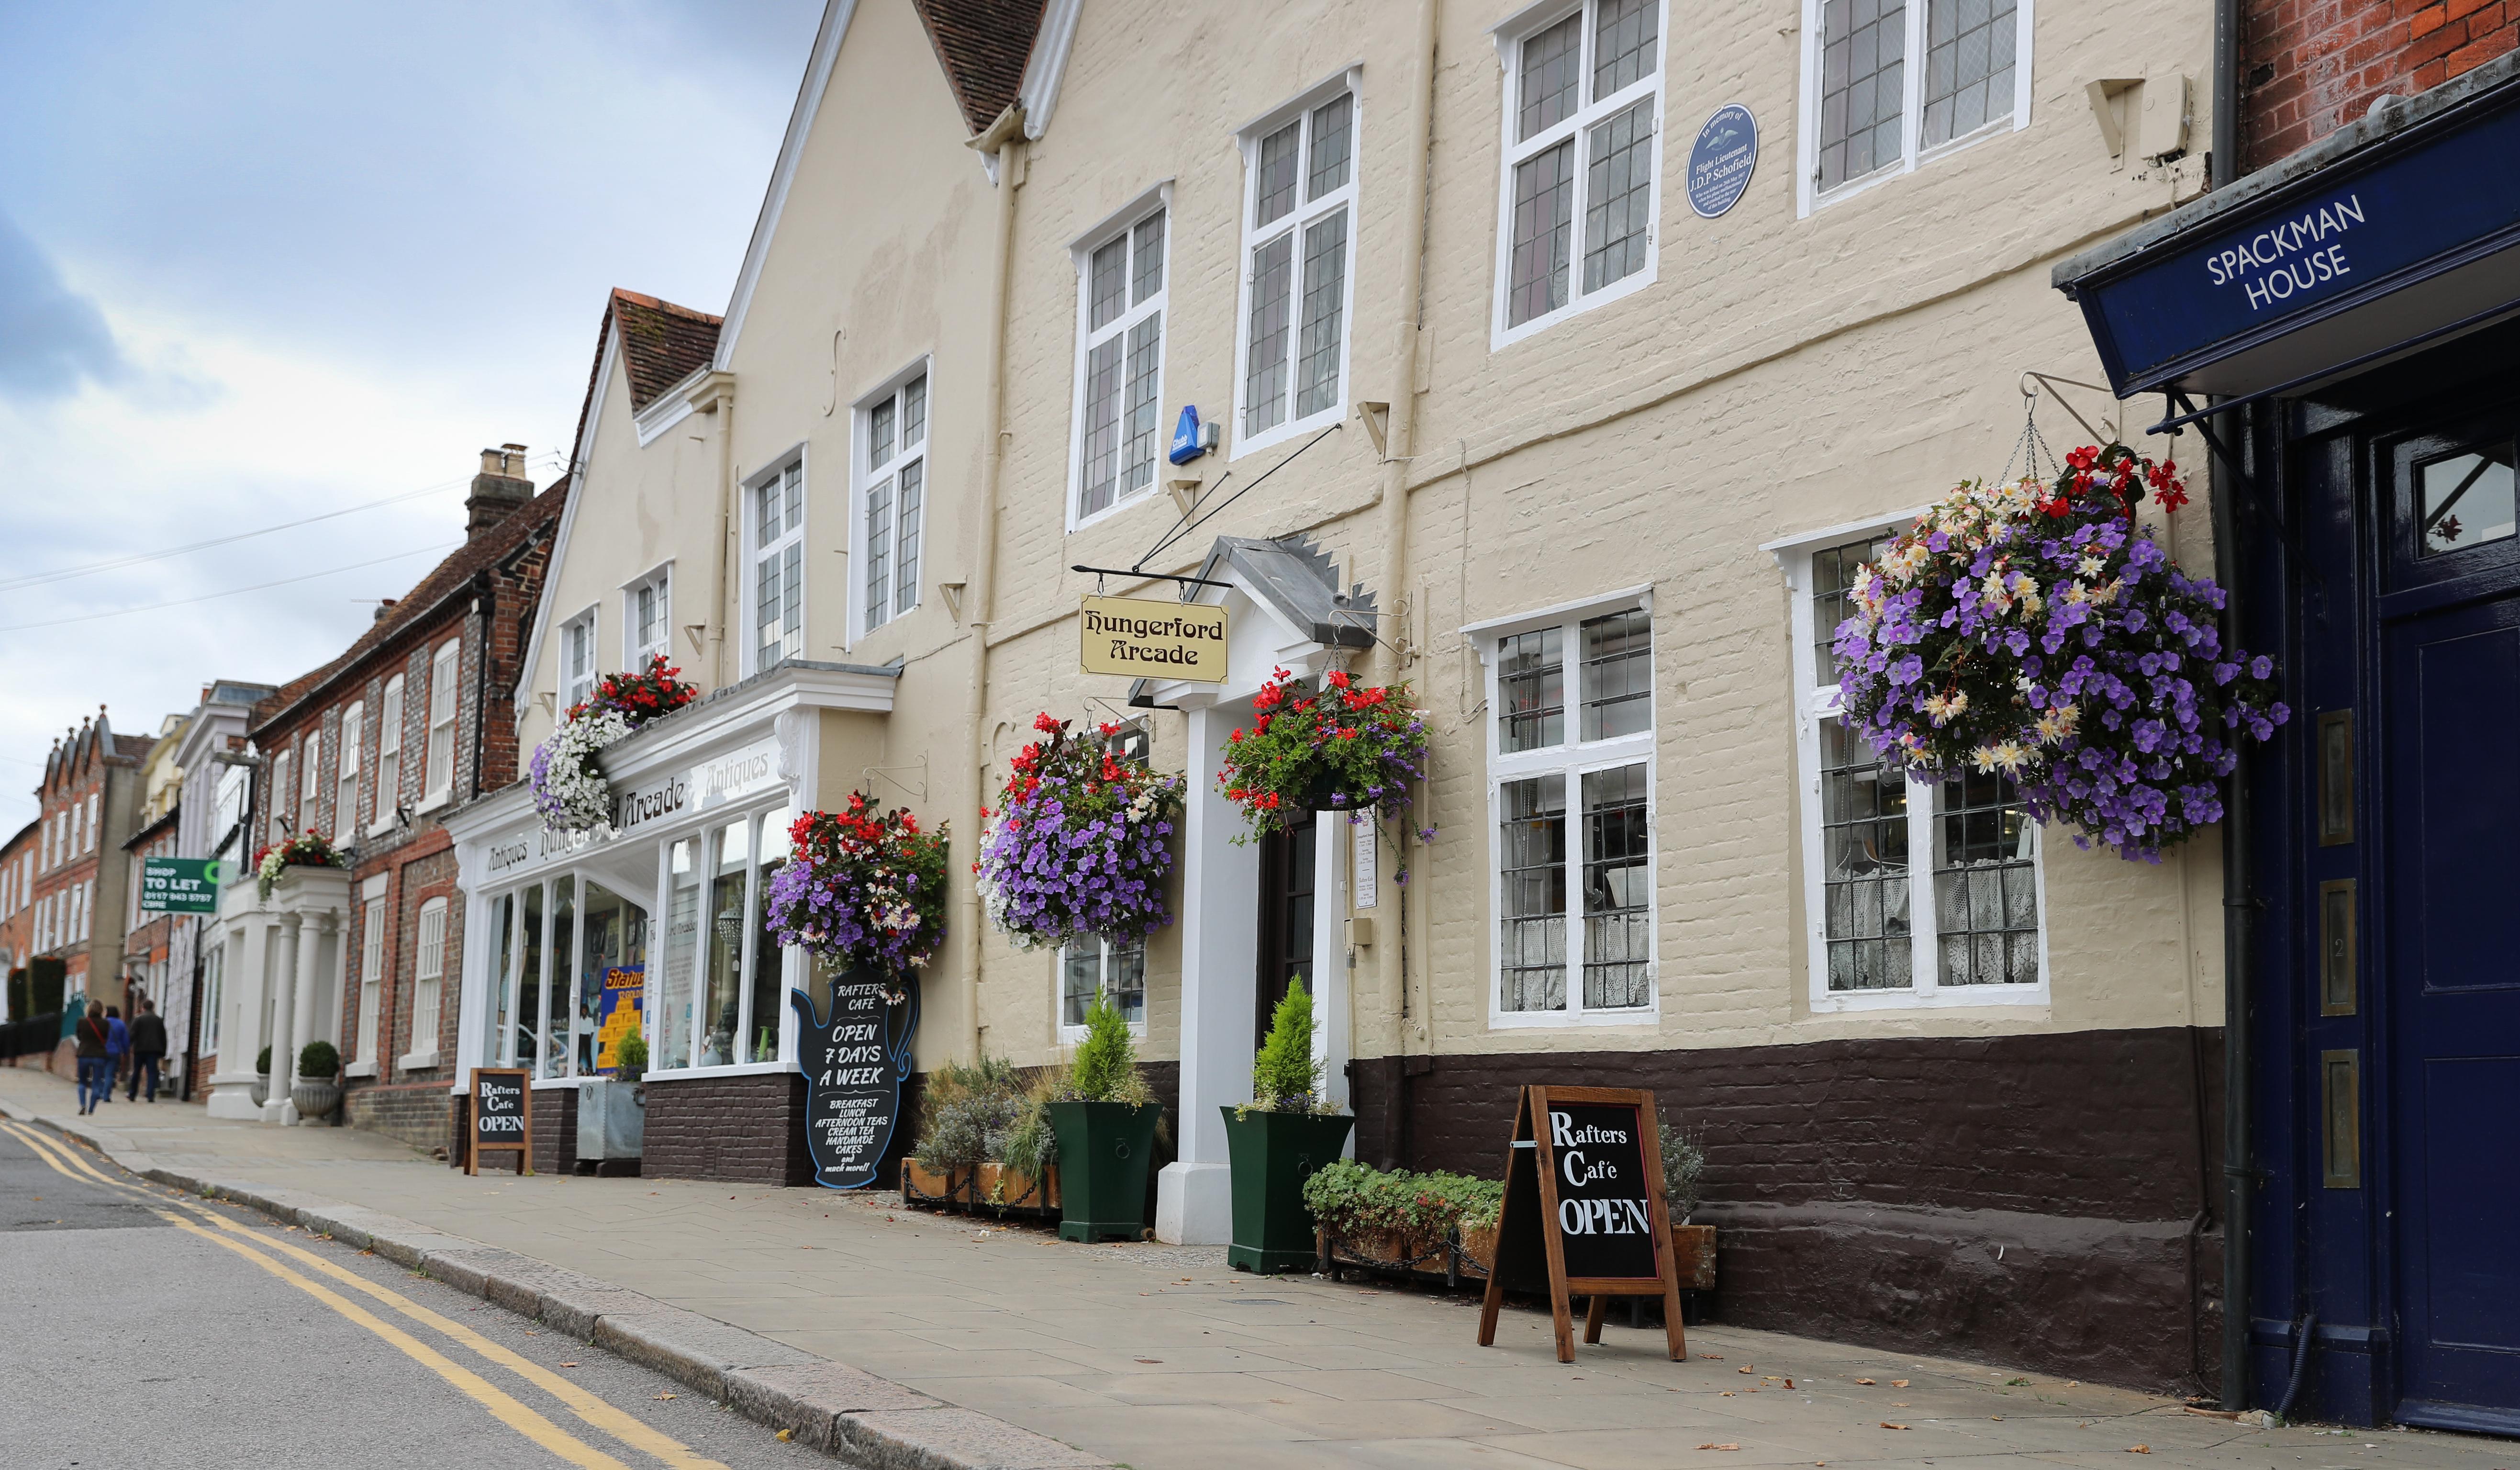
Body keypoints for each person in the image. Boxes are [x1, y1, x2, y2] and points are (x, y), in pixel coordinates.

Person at [126, 1000, 167, 1103]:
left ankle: (132, 1094)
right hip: (154, 1051)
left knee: (136, 1072)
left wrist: (129, 1046)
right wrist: (163, 1052)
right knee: (152, 1073)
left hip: (139, 1050)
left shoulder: (138, 1019)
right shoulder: (158, 1020)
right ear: (153, 1008)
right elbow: (163, 1037)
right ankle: (150, 1095)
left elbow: (132, 1035)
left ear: (143, 1008)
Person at [74, 1002, 111, 1115]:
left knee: (82, 1083)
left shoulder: (82, 1022)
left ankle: (83, 1105)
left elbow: (79, 1037)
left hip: (84, 1054)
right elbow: (106, 1038)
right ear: (101, 1010)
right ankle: (91, 1110)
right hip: (99, 1056)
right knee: (96, 1083)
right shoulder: (106, 1023)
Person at [101, 1006, 129, 1105]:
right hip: (115, 1052)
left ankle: (99, 1093)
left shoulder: (102, 1022)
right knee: (109, 1075)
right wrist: (125, 1052)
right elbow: (125, 1040)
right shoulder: (121, 1024)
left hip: (102, 1051)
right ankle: (106, 1096)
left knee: (100, 1073)